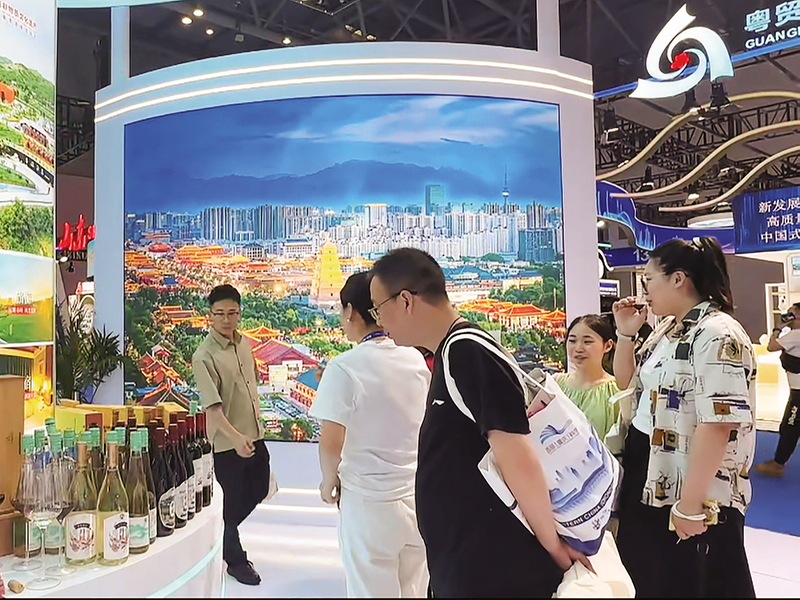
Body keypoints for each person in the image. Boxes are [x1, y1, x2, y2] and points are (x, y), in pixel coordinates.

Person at [369, 247, 585, 598]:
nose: (379, 320)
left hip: (493, 565)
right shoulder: (452, 350)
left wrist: (552, 545)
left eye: (378, 308)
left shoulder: (467, 351)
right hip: (469, 557)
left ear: (405, 300)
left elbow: (518, 457)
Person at [612, 237, 756, 598]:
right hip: (651, 468)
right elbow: (629, 383)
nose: (644, 289)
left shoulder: (717, 334)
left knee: (695, 580)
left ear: (678, 279)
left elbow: (719, 422)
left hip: (689, 480)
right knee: (650, 575)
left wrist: (691, 504)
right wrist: (625, 334)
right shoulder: (669, 329)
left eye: (648, 279)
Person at [310, 272, 431, 598]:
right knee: (414, 589)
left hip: (368, 504)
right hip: (416, 498)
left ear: (350, 311)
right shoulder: (414, 358)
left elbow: (331, 442)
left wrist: (328, 481)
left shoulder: (344, 367)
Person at [192, 284, 270, 586]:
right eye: (220, 314)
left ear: (239, 313)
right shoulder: (204, 356)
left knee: (259, 488)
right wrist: (236, 438)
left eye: (232, 313)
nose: (226, 319)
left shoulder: (244, 344)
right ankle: (235, 560)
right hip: (227, 444)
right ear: (210, 316)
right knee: (230, 500)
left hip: (254, 435)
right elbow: (213, 410)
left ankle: (216, 531)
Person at [555, 315, 620, 440]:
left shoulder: (615, 390)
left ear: (607, 346)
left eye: (587, 342)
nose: (578, 349)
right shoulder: (555, 384)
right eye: (572, 341)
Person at [758, 302, 800, 477]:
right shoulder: (794, 335)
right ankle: (779, 460)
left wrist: (777, 329)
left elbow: (772, 346)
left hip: (799, 394)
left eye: (791, 314)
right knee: (787, 425)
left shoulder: (796, 335)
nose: (787, 316)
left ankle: (778, 464)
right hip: (796, 391)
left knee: (790, 427)